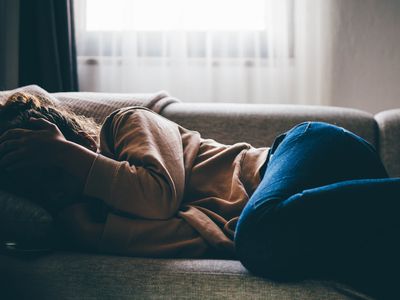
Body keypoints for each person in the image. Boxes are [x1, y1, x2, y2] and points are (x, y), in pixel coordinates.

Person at [0, 92, 399, 291]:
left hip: (308, 153)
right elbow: (180, 236)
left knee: (258, 235)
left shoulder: (126, 125)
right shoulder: (89, 217)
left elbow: (159, 197)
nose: (50, 189)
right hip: (319, 211)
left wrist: (67, 156)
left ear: (64, 139)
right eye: (35, 185)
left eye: (49, 168)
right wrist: (76, 221)